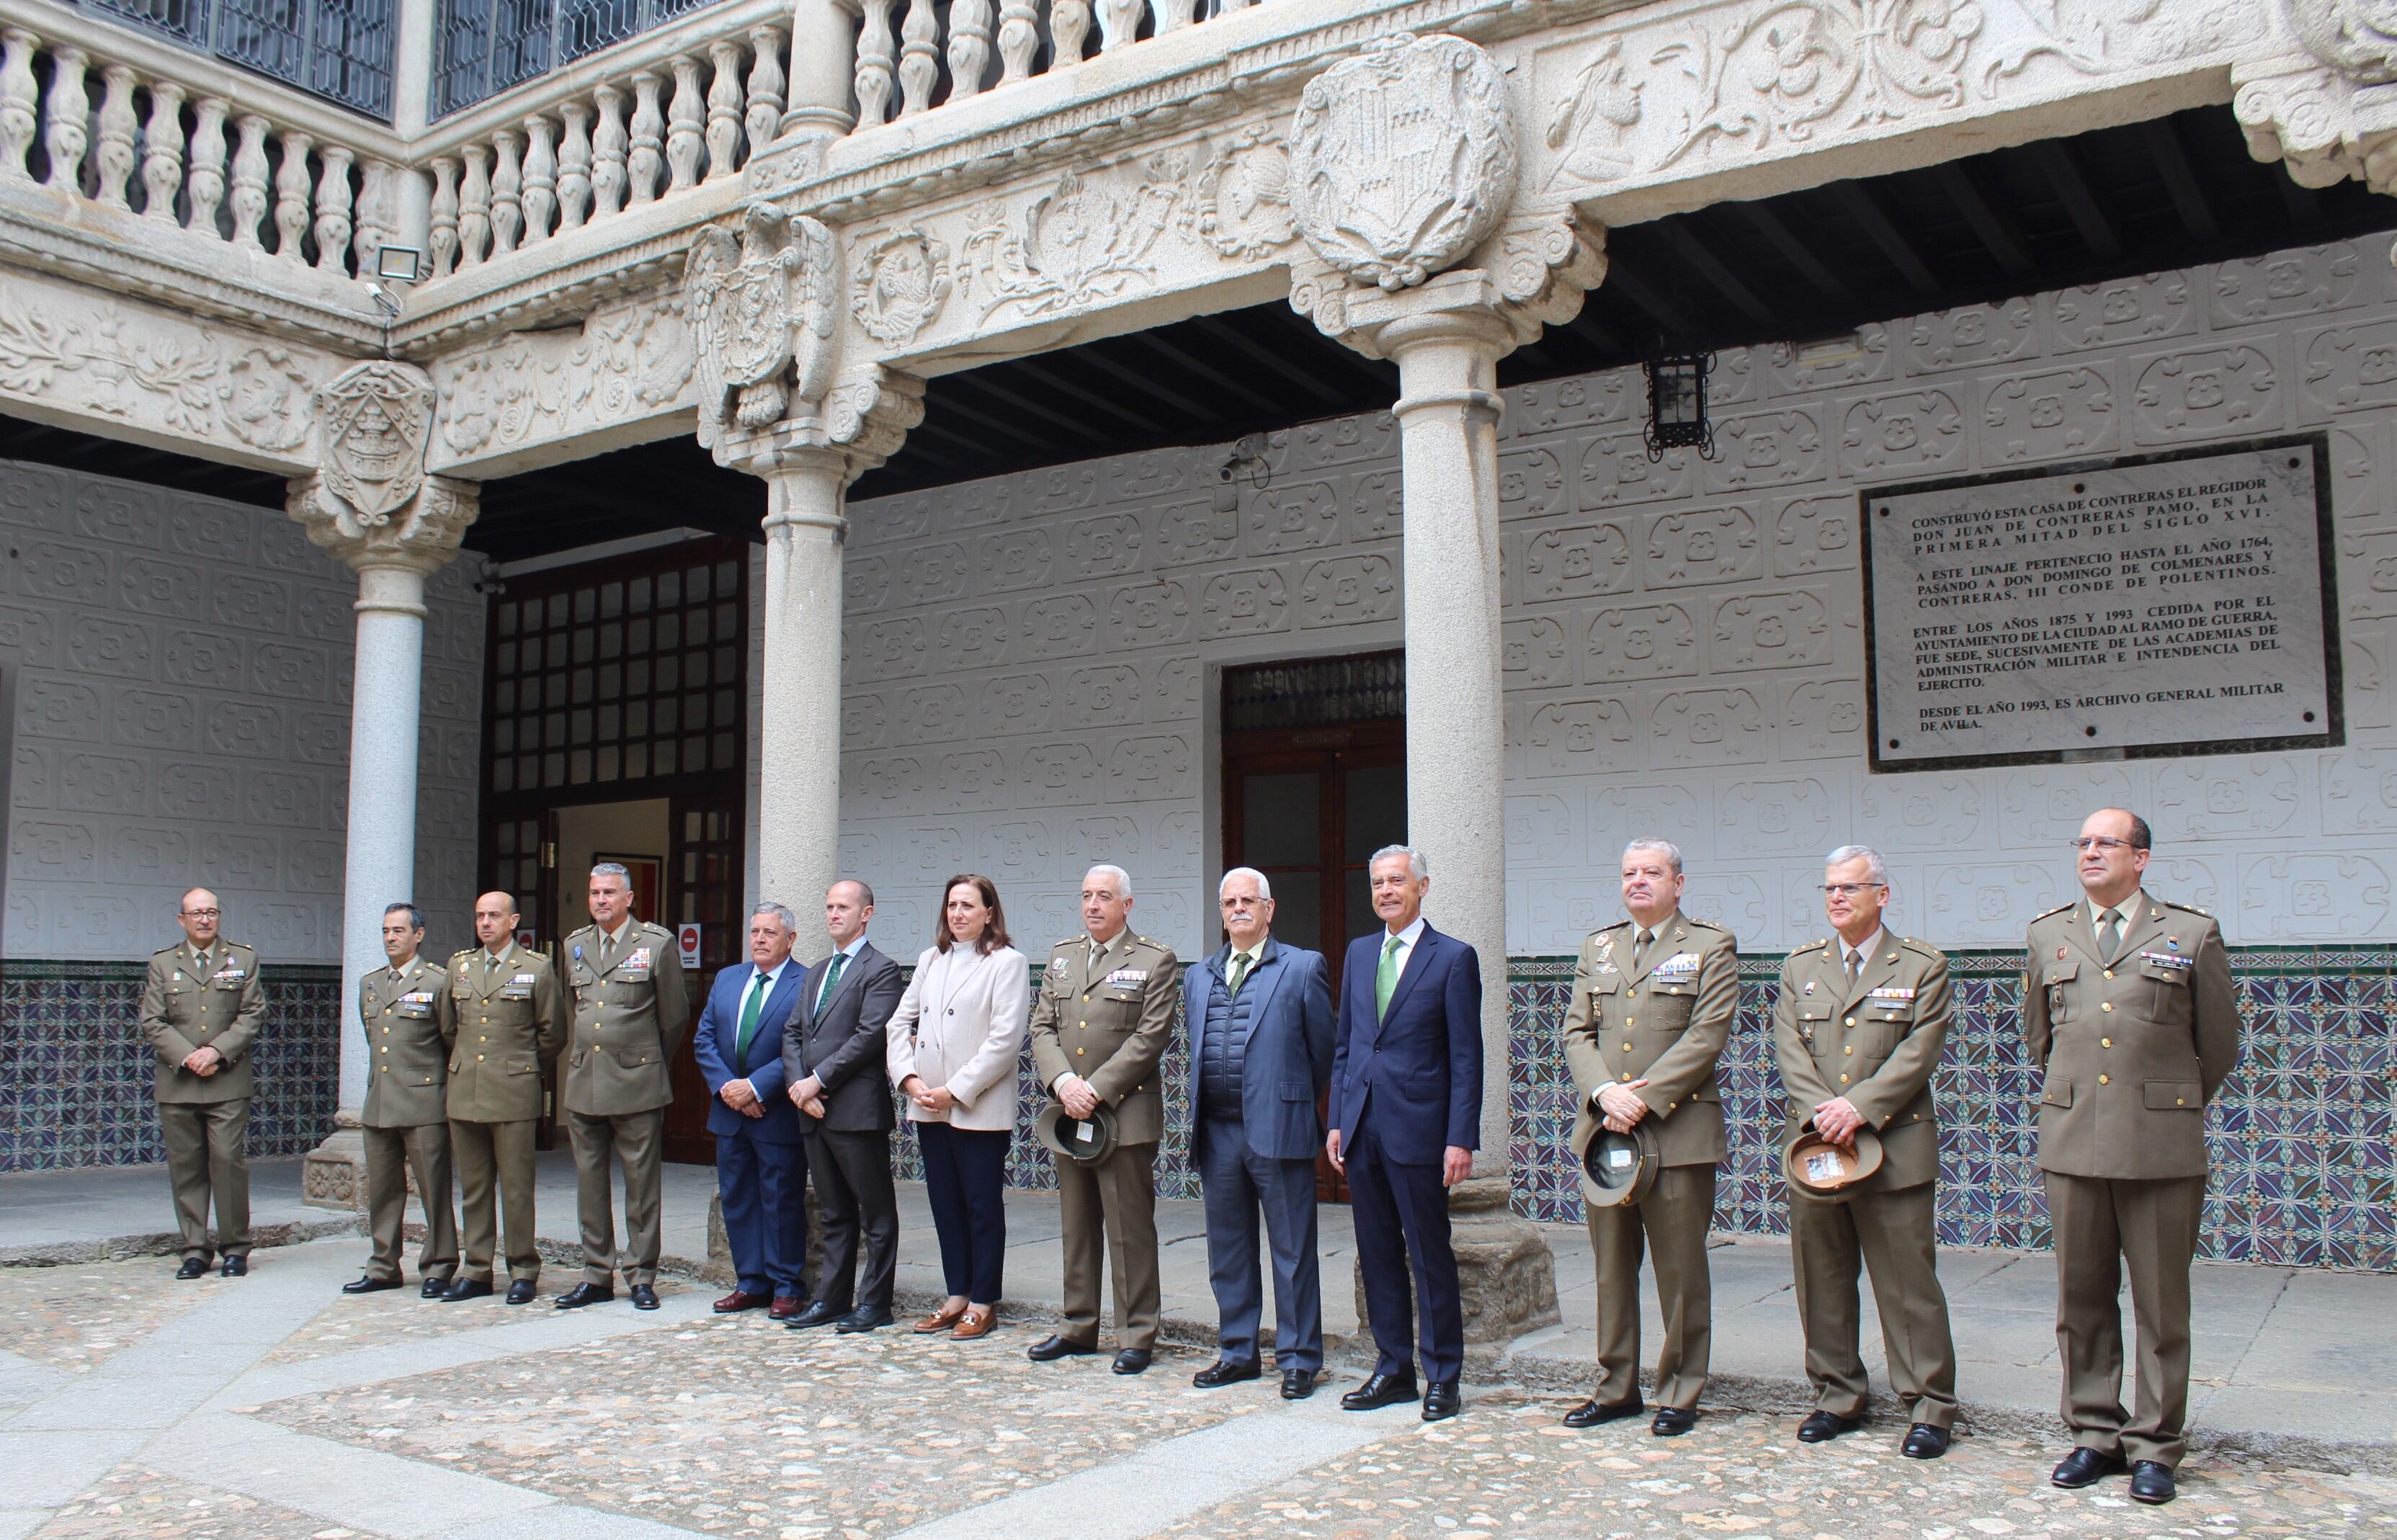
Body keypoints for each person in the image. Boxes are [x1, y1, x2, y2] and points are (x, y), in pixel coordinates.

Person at [2025, 809, 2240, 1506]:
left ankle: (2155, 1442)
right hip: (2074, 1138)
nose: (2090, 851)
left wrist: (2164, 1101)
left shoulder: (2191, 931)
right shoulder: (2047, 932)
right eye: (2082, 841)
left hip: (2159, 1145)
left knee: (2160, 1301)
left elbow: (2221, 1041)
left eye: (2105, 842)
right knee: (2081, 1297)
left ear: (2140, 857)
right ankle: (2094, 1430)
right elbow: (2040, 1037)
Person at [1769, 846, 1958, 1458]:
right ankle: (1836, 1394)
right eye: (1828, 889)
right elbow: (1789, 1050)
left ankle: (1928, 1405)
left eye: (1850, 888)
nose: (1836, 898)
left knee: (1907, 1282)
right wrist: (1823, 1112)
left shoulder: (1921, 966)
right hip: (1817, 1144)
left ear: (1882, 894)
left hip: (1894, 1146)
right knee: (1820, 1276)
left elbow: (1919, 1051)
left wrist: (1859, 1107)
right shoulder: (1800, 968)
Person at [1558, 838, 1734, 1436]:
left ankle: (1680, 1392)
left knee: (1679, 1269)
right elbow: (1576, 1033)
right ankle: (1615, 1387)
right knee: (1611, 1266)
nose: (1637, 882)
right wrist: (1606, 1093)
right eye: (1628, 872)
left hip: (1677, 1131)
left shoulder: (1710, 946)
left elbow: (1707, 1035)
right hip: (1605, 1129)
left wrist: (1644, 1096)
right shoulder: (1598, 947)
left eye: (1651, 873)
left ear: (1677, 884)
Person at [1327, 845, 1481, 1423]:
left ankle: (1443, 1375)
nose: (1386, 891)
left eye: (1396, 881)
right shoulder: (1361, 952)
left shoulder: (1453, 958)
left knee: (1428, 1254)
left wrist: (1459, 1137)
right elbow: (1347, 1044)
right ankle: (1392, 1369)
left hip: (1420, 1130)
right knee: (1378, 1254)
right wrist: (1338, 1120)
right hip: (1362, 1128)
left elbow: (1467, 1056)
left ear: (1422, 887)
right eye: (1377, 883)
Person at [1186, 867, 1334, 1400]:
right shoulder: (1198, 976)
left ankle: (1298, 1359)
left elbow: (1323, 1051)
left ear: (1269, 910)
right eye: (1229, 902)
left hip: (1279, 1127)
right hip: (1218, 1131)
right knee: (1228, 1250)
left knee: (1292, 1250)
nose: (1238, 909)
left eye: (1249, 900)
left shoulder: (1301, 967)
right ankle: (1237, 1351)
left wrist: (1289, 1100)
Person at [1026, 864, 1179, 1375]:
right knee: (1077, 1226)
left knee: (1127, 1229)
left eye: (1104, 897)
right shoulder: (1062, 956)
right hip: (1069, 1114)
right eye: (1086, 895)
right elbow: (1042, 1027)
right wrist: (1063, 1084)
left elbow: (1150, 1037)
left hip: (1124, 1113)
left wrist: (1094, 1089)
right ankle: (1077, 1325)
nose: (1092, 905)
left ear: (1126, 905)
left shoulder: (1155, 960)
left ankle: (1136, 1332)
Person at [888, 874, 1029, 1340]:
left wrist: (955, 1089)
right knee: (944, 1203)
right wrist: (909, 1079)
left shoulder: (1007, 964)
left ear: (990, 912)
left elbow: (1004, 1041)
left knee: (980, 1204)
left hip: (977, 1105)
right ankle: (956, 1294)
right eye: (952, 904)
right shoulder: (931, 960)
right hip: (927, 1102)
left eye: (968, 905)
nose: (958, 913)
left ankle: (984, 1300)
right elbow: (898, 1023)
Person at [558, 862, 691, 1311]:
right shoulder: (574, 946)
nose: (601, 900)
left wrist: (650, 1063)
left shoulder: (656, 944)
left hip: (637, 1081)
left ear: (629, 899)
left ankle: (640, 1275)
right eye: (595, 892)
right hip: (584, 1081)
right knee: (590, 1184)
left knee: (641, 1184)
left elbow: (673, 1017)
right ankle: (596, 1274)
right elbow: (570, 1008)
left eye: (610, 893)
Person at [784, 880, 906, 1333]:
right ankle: (831, 1300)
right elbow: (794, 1032)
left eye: (843, 907)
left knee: (875, 1213)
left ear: (866, 914)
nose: (833, 914)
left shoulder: (881, 969)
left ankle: (875, 1303)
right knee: (834, 1212)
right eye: (829, 906)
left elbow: (870, 1036)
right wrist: (799, 1085)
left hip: (855, 1110)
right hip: (812, 1111)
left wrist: (817, 1080)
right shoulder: (816, 971)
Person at [444, 891, 566, 1303]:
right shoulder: (459, 966)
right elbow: (449, 1028)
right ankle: (477, 1268)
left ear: (513, 921)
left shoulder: (536, 967)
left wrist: (522, 1066)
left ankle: (523, 1269)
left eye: (494, 916)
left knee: (516, 1187)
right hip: (466, 1090)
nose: (485, 923)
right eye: (479, 916)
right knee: (475, 1187)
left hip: (513, 1089)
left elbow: (552, 1032)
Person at [139, 887, 265, 1279]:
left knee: (227, 1161)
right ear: (182, 920)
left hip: (227, 1080)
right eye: (196, 913)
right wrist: (188, 1056)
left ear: (219, 917)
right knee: (187, 1166)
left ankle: (235, 1248)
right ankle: (195, 1249)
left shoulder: (242, 958)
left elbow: (252, 1013)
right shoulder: (162, 964)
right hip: (179, 1083)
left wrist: (215, 1051)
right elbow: (152, 1020)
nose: (205, 919)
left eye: (211, 912)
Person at [692, 901, 809, 1319]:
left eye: (770, 933)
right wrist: (728, 1088)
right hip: (730, 1111)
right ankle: (751, 1282)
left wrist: (757, 1087)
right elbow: (704, 1038)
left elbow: (801, 1047)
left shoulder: (805, 983)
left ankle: (786, 1285)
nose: (759, 940)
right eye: (755, 932)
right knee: (738, 1198)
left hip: (775, 1112)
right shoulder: (728, 978)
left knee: (780, 1201)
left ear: (790, 939)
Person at [345, 903, 460, 1299]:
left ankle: (440, 1264)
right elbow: (373, 1039)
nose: (390, 938)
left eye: (398, 930)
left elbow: (450, 1041)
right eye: (385, 931)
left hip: (424, 1101)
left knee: (433, 1188)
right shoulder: (370, 983)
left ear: (418, 935)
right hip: (380, 1100)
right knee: (383, 1190)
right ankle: (382, 1265)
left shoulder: (437, 982)